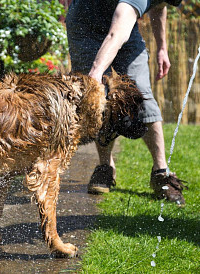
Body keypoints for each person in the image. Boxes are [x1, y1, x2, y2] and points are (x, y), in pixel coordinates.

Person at [65, 0, 188, 205]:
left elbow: (159, 6)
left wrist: (162, 48)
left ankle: (161, 172)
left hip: (125, 27)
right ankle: (105, 168)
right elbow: (115, 35)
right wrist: (94, 75)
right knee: (100, 97)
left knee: (142, 94)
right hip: (85, 26)